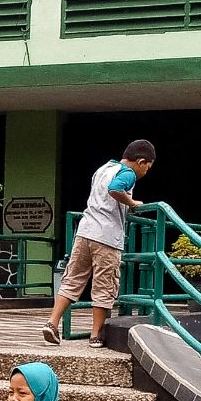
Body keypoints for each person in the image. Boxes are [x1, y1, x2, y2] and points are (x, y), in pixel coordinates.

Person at [44, 139, 156, 348]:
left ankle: (52, 322)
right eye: (147, 168)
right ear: (141, 162)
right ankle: (95, 335)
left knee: (72, 279)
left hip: (85, 231)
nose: (145, 172)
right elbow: (115, 189)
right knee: (104, 285)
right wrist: (132, 203)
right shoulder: (128, 173)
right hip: (107, 236)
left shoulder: (103, 168)